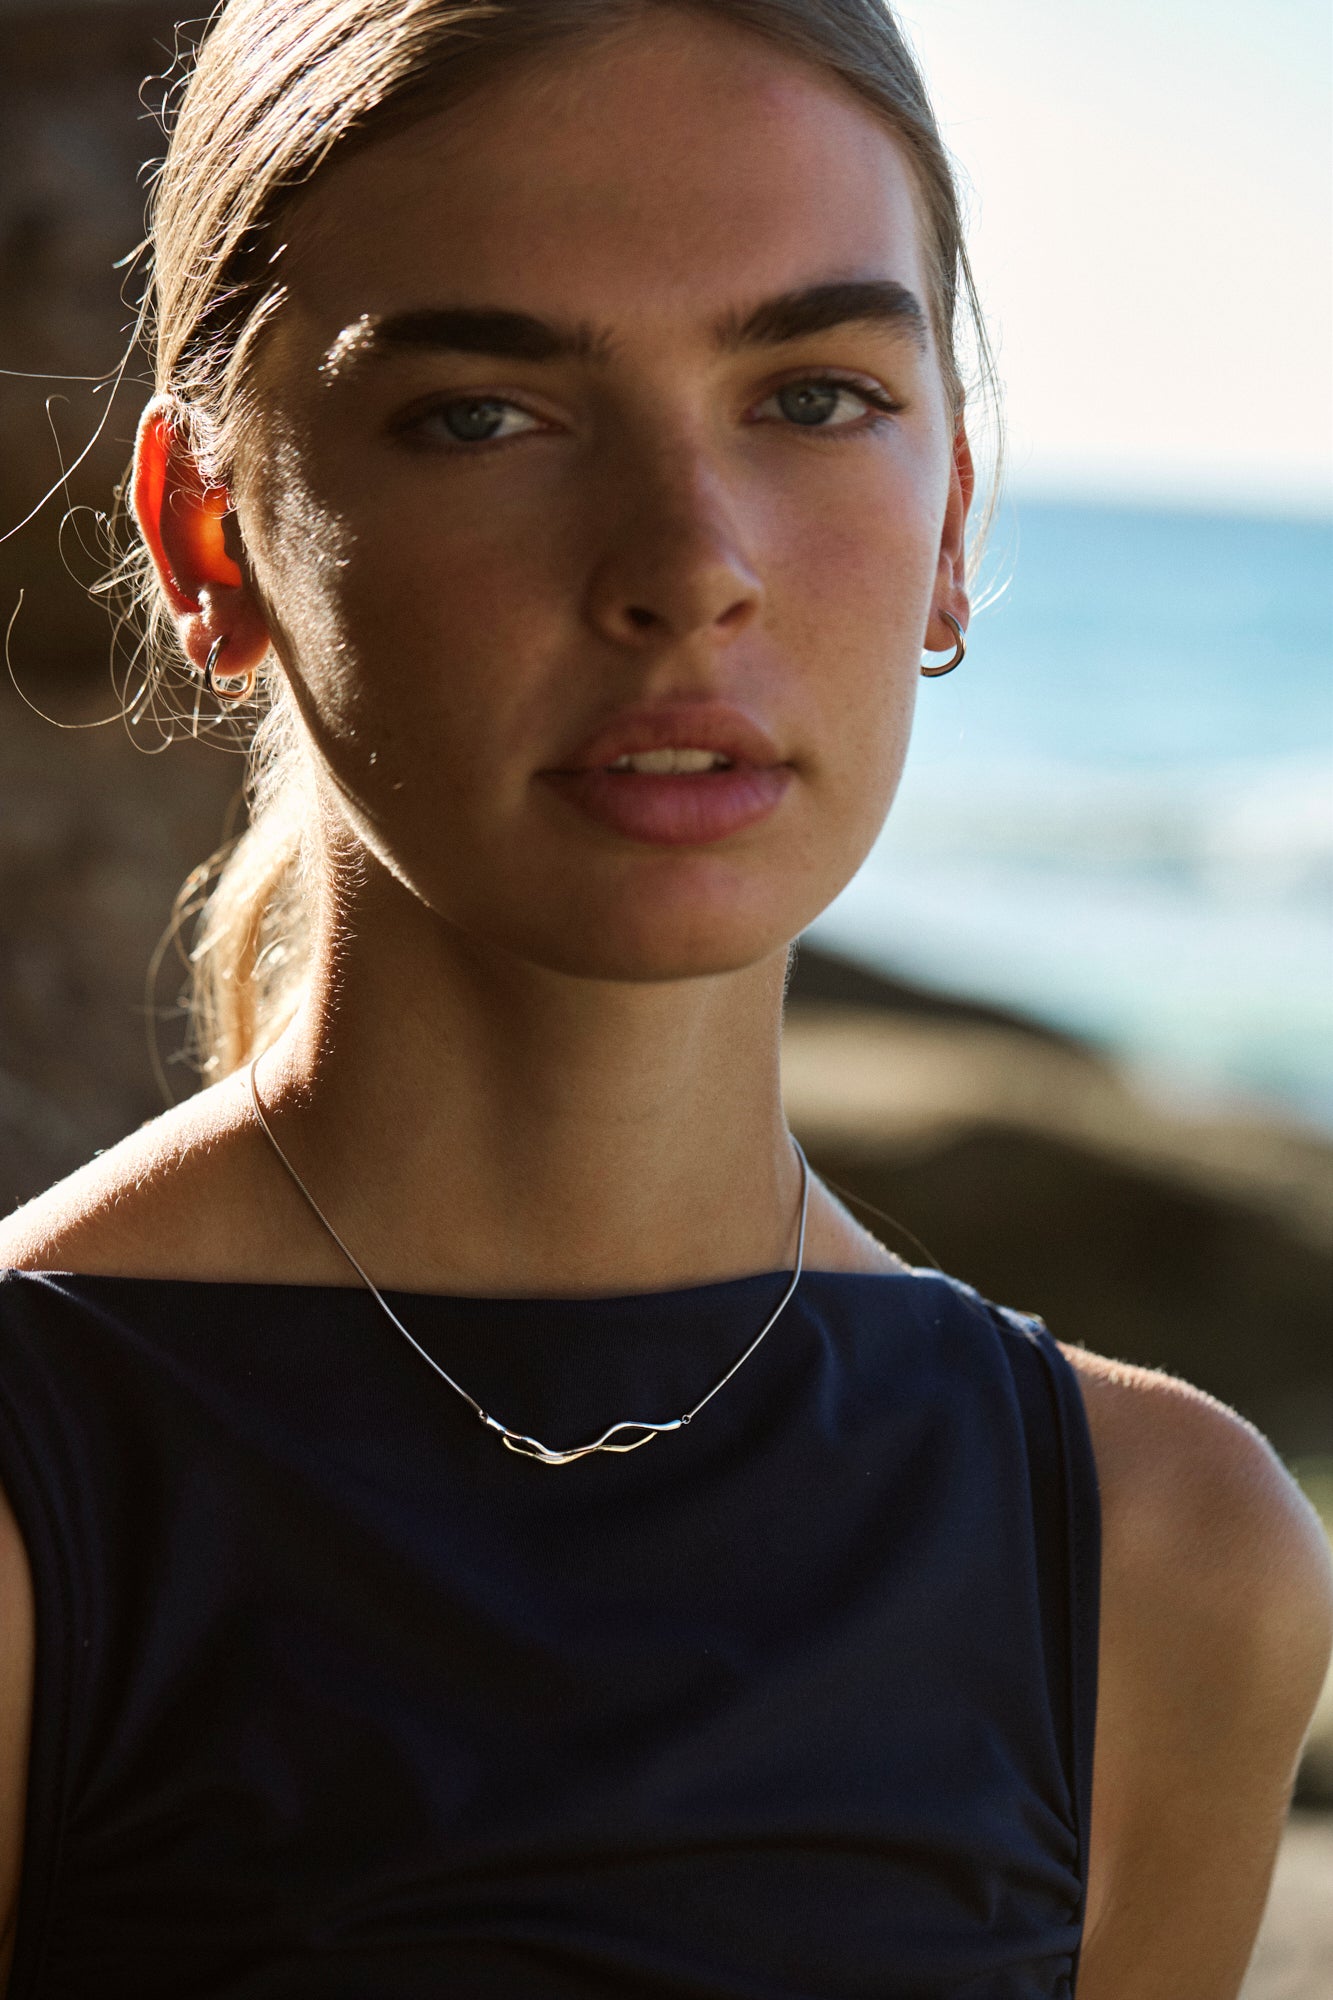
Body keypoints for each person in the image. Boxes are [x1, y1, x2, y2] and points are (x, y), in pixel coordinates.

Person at [0, 1, 1329, 1993]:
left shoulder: (1166, 1558)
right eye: (484, 409)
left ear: (953, 517)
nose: (686, 567)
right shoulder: (35, 1515)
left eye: (810, 395)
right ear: (213, 537)